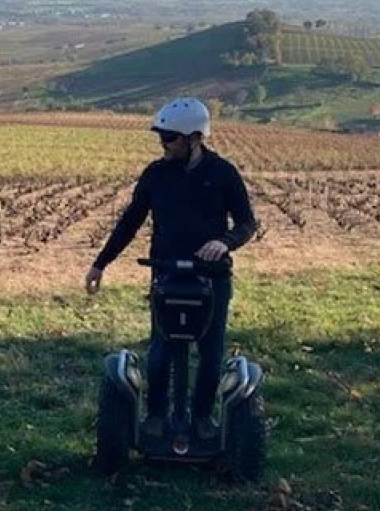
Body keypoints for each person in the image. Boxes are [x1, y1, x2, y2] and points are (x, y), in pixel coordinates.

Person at [85, 97, 257, 440]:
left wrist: (225, 242)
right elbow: (130, 221)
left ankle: (203, 418)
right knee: (161, 350)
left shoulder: (223, 173)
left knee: (210, 351)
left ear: (194, 138)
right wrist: (100, 264)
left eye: (169, 138)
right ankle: (156, 415)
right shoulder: (156, 175)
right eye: (161, 137)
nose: (162, 144)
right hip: (166, 274)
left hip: (212, 278)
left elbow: (247, 223)